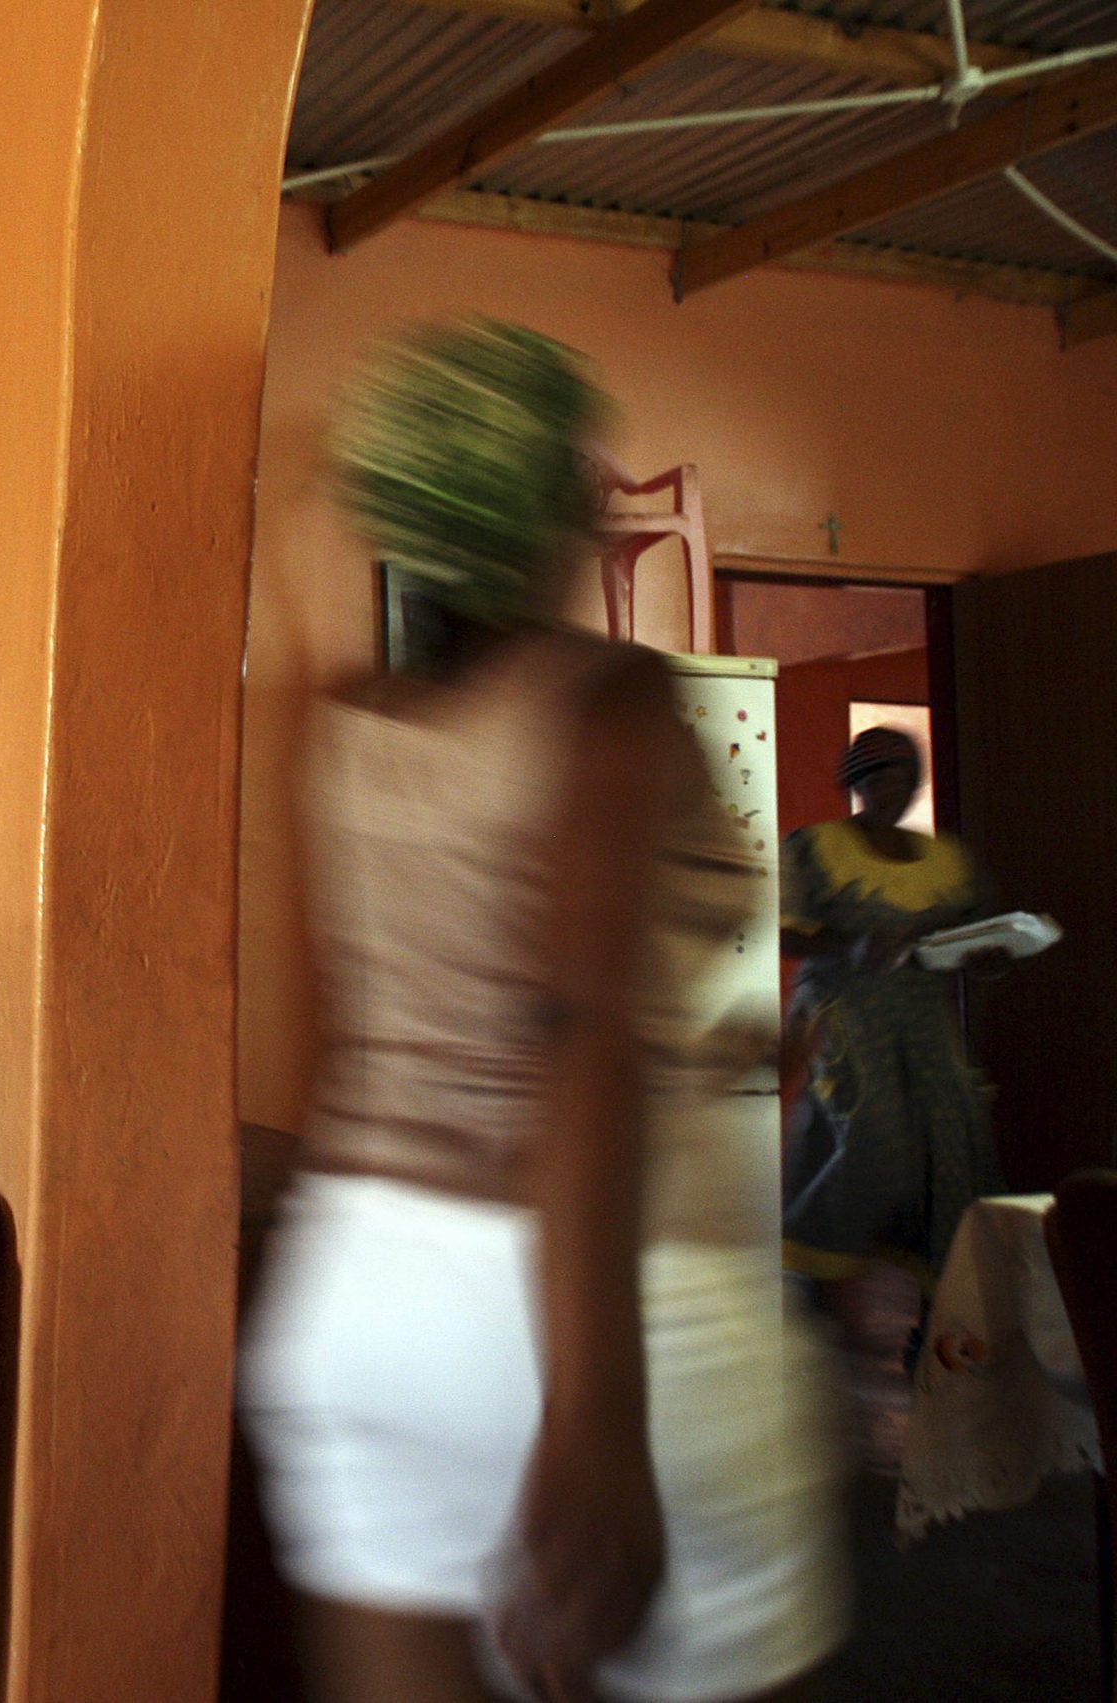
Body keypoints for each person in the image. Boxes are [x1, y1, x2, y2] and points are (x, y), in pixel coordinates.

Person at [237, 320, 843, 1703]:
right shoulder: (610, 699)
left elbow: (384, 1028)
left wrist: (715, 1050)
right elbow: (574, 1033)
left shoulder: (341, 717)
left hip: (364, 1293)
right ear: (557, 514)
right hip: (597, 1299)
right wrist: (594, 1420)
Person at [782, 726, 1005, 1289]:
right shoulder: (814, 848)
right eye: (878, 777)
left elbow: (972, 933)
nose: (894, 789)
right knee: (875, 1140)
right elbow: (780, 932)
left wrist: (987, 955)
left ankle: (944, 1290)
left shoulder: (947, 858)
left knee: (953, 1133)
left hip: (924, 1013)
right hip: (843, 1008)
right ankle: (812, 1266)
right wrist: (851, 946)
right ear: (853, 784)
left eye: (906, 777)